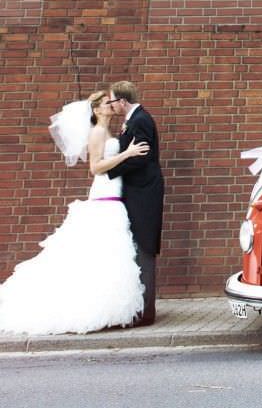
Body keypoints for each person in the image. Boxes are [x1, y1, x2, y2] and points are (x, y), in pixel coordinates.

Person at [0, 90, 149, 335]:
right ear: (96, 110)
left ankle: (107, 308)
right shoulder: (98, 132)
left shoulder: (110, 130)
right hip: (105, 195)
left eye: (110, 101)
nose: (111, 105)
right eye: (105, 103)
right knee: (107, 251)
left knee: (108, 253)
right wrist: (127, 153)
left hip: (115, 193)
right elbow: (95, 167)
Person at [106, 80, 165, 326]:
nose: (112, 106)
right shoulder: (134, 119)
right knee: (137, 246)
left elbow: (142, 157)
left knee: (144, 245)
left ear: (122, 101)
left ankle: (146, 311)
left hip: (144, 192)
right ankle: (140, 307)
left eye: (112, 101)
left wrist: (109, 170)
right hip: (136, 190)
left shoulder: (140, 120)